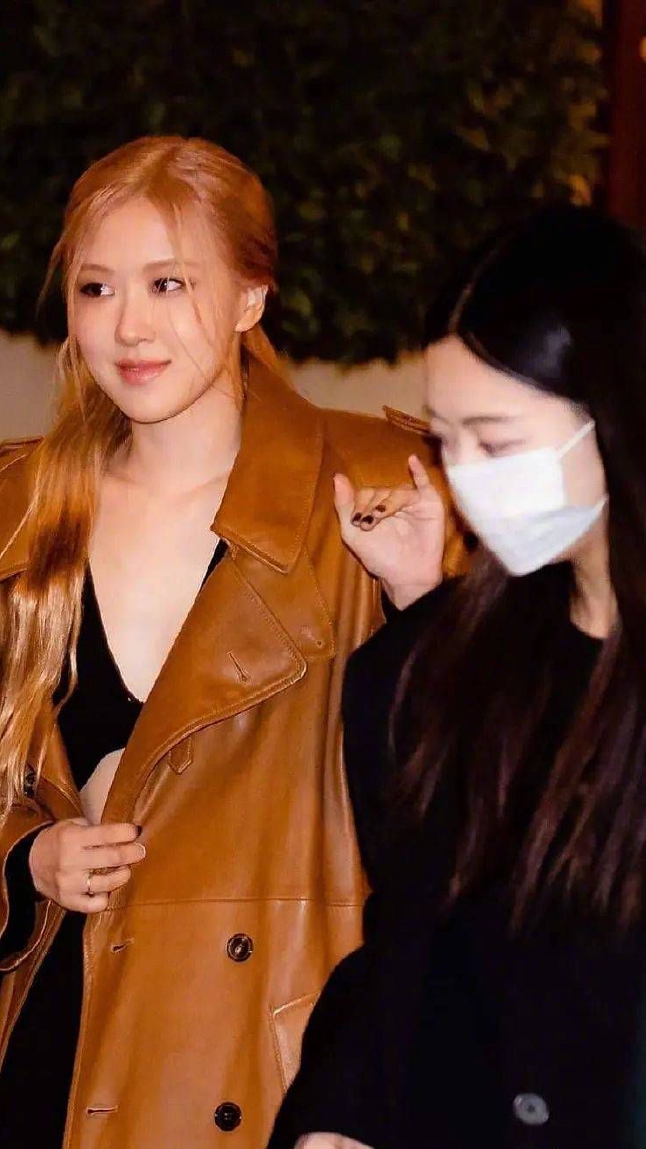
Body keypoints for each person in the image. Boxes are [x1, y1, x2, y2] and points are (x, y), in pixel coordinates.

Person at [0, 135, 458, 1149]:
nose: (129, 325)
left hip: (289, 1059)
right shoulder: (2, 516)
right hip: (70, 1047)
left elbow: (496, 780)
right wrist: (28, 857)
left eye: (168, 283)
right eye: (96, 287)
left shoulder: (383, 486)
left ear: (251, 295)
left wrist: (425, 601)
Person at [269, 205, 646, 1149]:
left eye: (498, 441)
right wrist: (338, 1117)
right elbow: (408, 955)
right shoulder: (427, 675)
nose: (467, 476)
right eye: (447, 440)